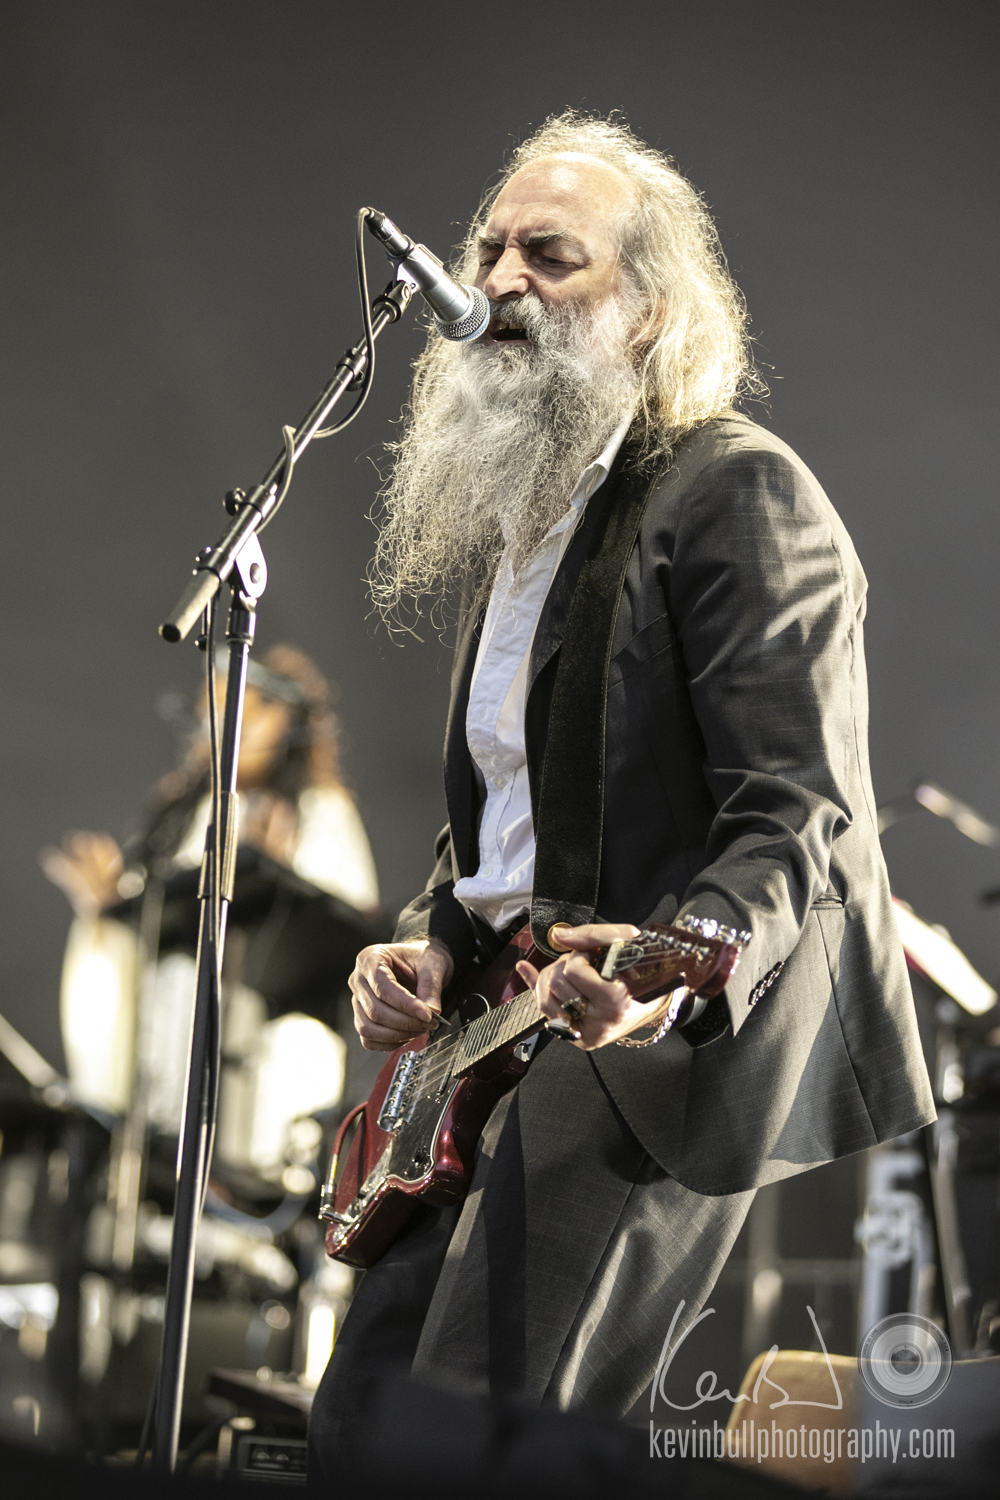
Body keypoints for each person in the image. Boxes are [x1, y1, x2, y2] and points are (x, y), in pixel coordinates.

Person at [308, 111, 934, 1473]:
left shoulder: (737, 492)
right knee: (358, 1416)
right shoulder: (529, 524)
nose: (501, 279)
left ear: (647, 311)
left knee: (482, 1427)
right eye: (490, 249)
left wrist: (675, 971)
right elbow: (507, 827)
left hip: (644, 1037)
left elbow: (797, 810)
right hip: (496, 1023)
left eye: (551, 255)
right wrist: (429, 942)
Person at [41, 644, 382, 1148]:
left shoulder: (319, 812)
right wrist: (111, 907)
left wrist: (272, 876)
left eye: (234, 710)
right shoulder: (189, 814)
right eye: (209, 712)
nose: (215, 726)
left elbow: (348, 934)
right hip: (170, 1065)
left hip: (265, 1074)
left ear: (282, 720)